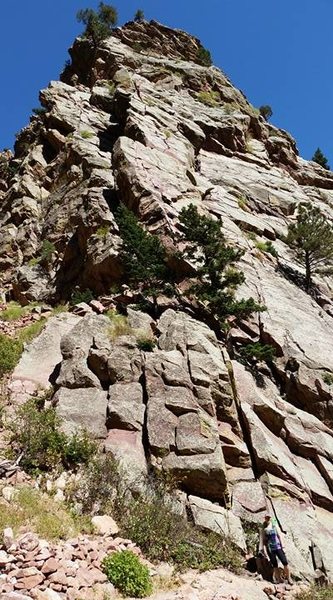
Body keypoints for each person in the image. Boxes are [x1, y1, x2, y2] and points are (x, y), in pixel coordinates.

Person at [259, 514, 292, 585]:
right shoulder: (263, 528)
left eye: (269, 517)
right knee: (275, 565)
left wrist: (283, 546)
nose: (268, 519)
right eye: (266, 517)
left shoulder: (274, 525)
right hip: (270, 549)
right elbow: (263, 540)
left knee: (285, 562)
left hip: (278, 547)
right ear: (265, 518)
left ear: (270, 518)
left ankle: (289, 578)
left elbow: (279, 536)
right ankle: (279, 579)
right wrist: (263, 550)